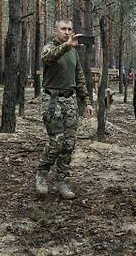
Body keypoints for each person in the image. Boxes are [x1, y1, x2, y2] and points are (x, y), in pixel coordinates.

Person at [36, 19, 94, 199]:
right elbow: (48, 58)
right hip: (52, 100)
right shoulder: (49, 48)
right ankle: (42, 175)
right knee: (56, 141)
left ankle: (62, 180)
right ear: (56, 31)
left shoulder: (73, 53)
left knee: (69, 144)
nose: (67, 32)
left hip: (70, 101)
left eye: (70, 29)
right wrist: (67, 46)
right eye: (63, 29)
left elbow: (80, 79)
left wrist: (86, 101)